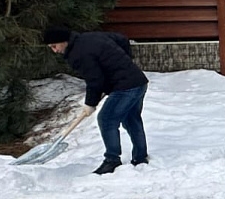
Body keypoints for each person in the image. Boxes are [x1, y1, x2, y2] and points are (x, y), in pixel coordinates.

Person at [43, 26, 149, 175]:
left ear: (64, 41)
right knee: (132, 120)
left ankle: (112, 160)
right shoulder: (89, 37)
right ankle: (140, 158)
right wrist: (125, 63)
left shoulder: (78, 54)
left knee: (106, 119)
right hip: (138, 82)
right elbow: (122, 39)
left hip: (126, 87)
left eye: (54, 46)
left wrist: (90, 104)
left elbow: (95, 80)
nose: (54, 51)